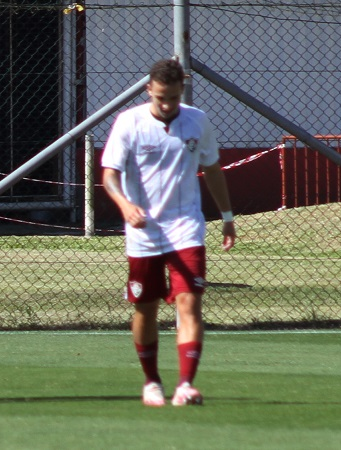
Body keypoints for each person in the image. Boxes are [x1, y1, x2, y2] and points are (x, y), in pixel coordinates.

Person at [100, 58, 236, 407]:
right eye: (160, 97)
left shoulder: (197, 121)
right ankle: (151, 382)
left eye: (173, 98)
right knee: (145, 307)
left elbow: (213, 168)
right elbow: (110, 176)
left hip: (185, 227)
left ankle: (186, 385)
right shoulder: (129, 123)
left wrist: (226, 216)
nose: (166, 105)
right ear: (148, 90)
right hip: (143, 232)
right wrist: (124, 205)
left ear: (181, 93)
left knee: (190, 303)